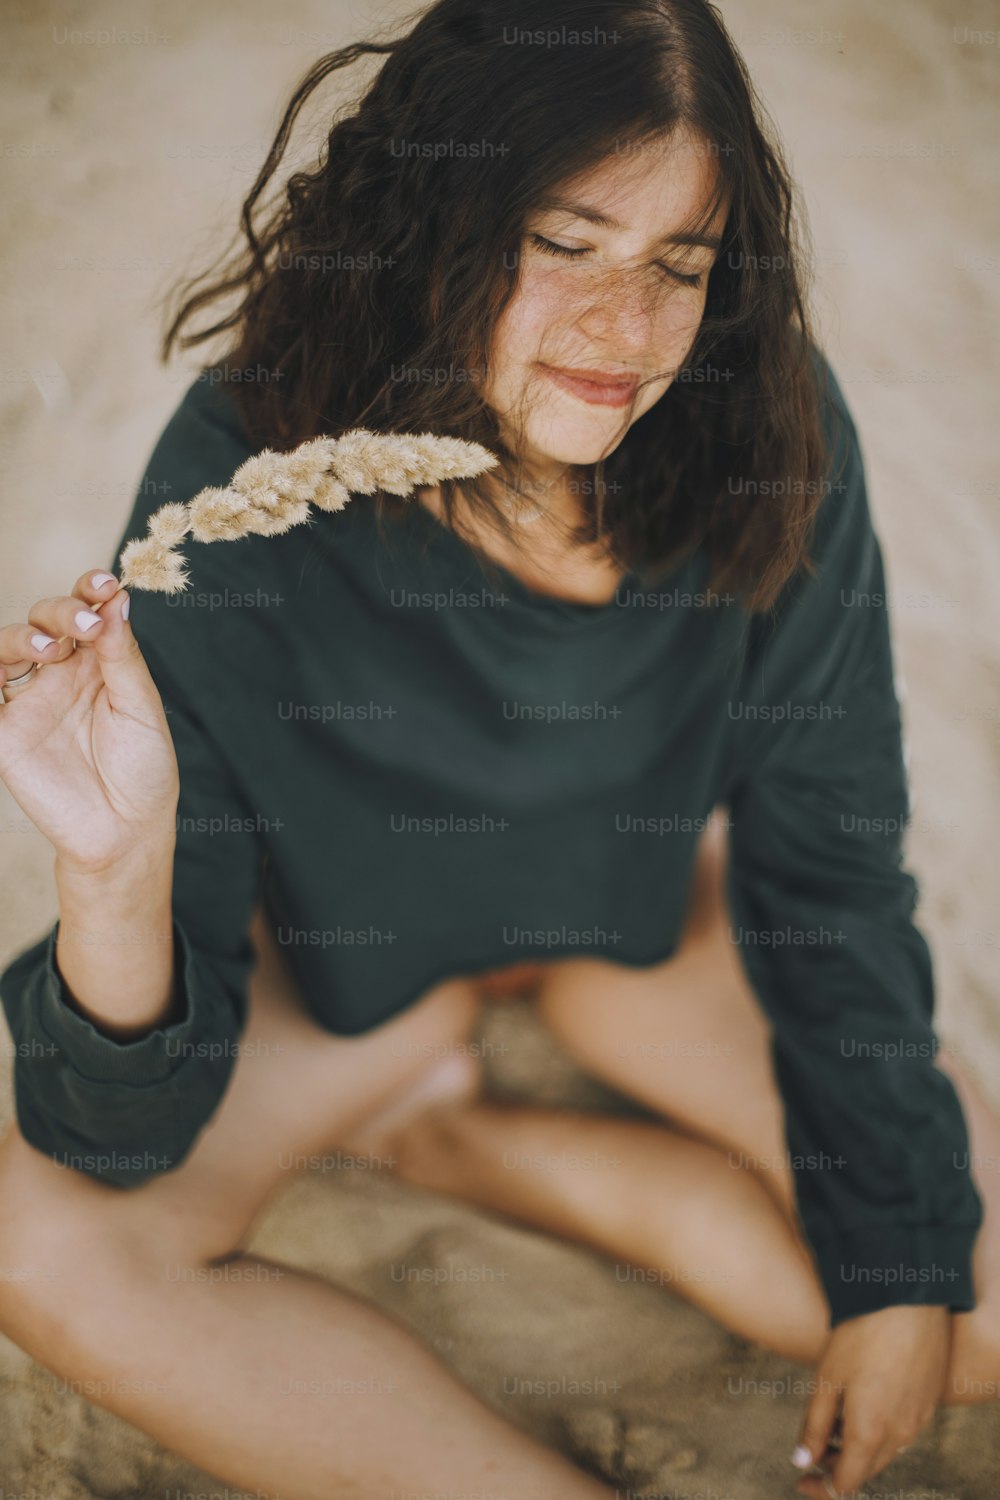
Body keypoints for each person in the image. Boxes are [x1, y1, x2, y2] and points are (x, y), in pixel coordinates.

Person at [0, 3, 997, 1497]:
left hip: (642, 928)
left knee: (968, 1299)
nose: (632, 329)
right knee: (43, 1241)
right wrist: (113, 870)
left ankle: (466, 1150)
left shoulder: (768, 422)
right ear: (435, 225)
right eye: (566, 241)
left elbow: (826, 844)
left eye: (681, 262)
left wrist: (902, 1270)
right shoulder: (244, 475)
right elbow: (120, 1136)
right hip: (331, 970)